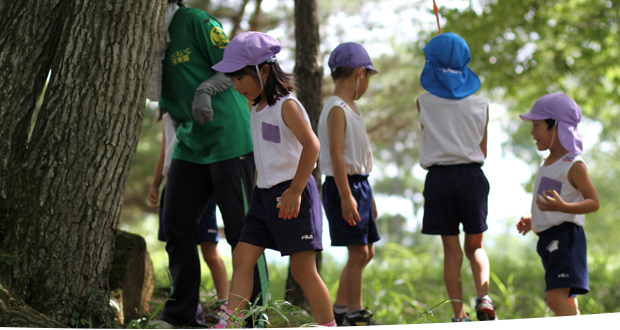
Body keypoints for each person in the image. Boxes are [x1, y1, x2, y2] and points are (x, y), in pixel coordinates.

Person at [153, 1, 269, 327]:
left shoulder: (195, 21)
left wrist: (206, 88)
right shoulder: (150, 37)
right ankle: (183, 315)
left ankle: (253, 316)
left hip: (229, 138)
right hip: (190, 142)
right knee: (175, 222)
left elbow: (236, 64)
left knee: (241, 230)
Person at [212, 31, 336, 329]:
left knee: (303, 270)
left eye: (240, 78)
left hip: (293, 193)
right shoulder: (256, 106)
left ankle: (329, 326)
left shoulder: (286, 105)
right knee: (243, 256)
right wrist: (258, 190)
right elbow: (265, 154)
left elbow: (313, 146)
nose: (235, 86)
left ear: (263, 71)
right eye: (232, 79)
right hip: (263, 195)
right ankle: (231, 322)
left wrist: (294, 190)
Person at [416, 33, 500, 329]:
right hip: (472, 176)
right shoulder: (481, 104)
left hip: (439, 179)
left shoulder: (423, 102)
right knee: (475, 247)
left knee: (451, 251)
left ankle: (460, 317)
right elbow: (484, 150)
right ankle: (485, 299)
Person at [317, 42, 386, 329]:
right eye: (368, 76)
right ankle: (357, 317)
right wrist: (347, 196)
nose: (367, 82)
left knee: (366, 251)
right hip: (342, 186)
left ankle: (342, 308)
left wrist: (367, 197)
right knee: (358, 252)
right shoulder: (336, 109)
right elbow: (336, 154)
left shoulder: (352, 108)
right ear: (360, 73)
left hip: (359, 185)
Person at [516, 93, 599, 329]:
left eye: (536, 126)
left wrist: (564, 207)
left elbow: (593, 201)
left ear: (556, 126)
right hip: (549, 240)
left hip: (566, 239)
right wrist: (536, 219)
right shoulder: (546, 162)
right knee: (567, 301)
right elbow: (552, 203)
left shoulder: (574, 164)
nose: (532, 132)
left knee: (555, 298)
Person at [147, 101, 229, 323]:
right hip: (174, 185)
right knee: (179, 246)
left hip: (199, 183)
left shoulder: (194, 109)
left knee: (210, 251)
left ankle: (226, 305)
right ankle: (190, 306)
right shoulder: (167, 115)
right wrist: (156, 184)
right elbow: (165, 151)